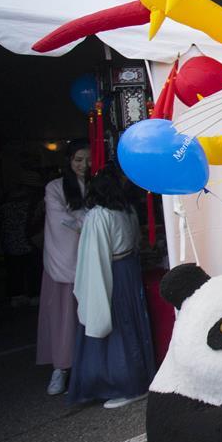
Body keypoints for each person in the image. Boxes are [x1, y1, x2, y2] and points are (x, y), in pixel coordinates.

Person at [68, 165, 155, 408]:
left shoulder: (98, 215)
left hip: (111, 271)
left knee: (118, 325)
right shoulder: (127, 210)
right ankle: (139, 379)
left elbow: (94, 254)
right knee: (132, 324)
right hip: (128, 269)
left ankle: (128, 385)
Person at [37, 141, 90, 395]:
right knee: (64, 319)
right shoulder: (55, 187)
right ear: (69, 160)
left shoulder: (96, 184)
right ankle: (61, 367)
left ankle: (90, 367)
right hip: (64, 259)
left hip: (90, 257)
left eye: (88, 160)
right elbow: (60, 220)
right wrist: (89, 221)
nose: (84, 165)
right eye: (78, 160)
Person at [0, 171, 45, 307]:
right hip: (29, 241)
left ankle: (16, 295)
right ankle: (34, 294)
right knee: (33, 269)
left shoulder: (3, 199)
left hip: (9, 241)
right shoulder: (36, 201)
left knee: (13, 270)